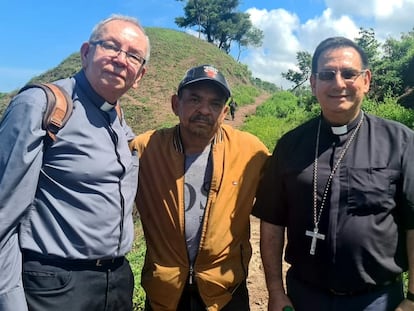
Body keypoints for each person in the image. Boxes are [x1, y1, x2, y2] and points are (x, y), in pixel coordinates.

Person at [0, 14, 150, 311]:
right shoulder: (42, 106)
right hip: (57, 287)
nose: (121, 59)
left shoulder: (119, 121)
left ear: (139, 77)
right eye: (111, 46)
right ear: (86, 53)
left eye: (133, 55)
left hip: (116, 282)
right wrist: (10, 302)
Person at [252, 36, 414, 311]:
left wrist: (413, 299)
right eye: (327, 74)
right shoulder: (290, 145)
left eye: (349, 73)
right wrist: (275, 292)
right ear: (314, 83)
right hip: (305, 297)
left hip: (377, 300)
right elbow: (272, 223)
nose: (338, 83)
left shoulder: (401, 142)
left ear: (366, 80)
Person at [130, 64, 269, 310]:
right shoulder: (145, 150)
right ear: (176, 104)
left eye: (215, 104)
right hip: (165, 292)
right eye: (194, 99)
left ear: (224, 112)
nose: (204, 110)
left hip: (225, 292)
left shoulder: (250, 151)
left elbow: (282, 199)